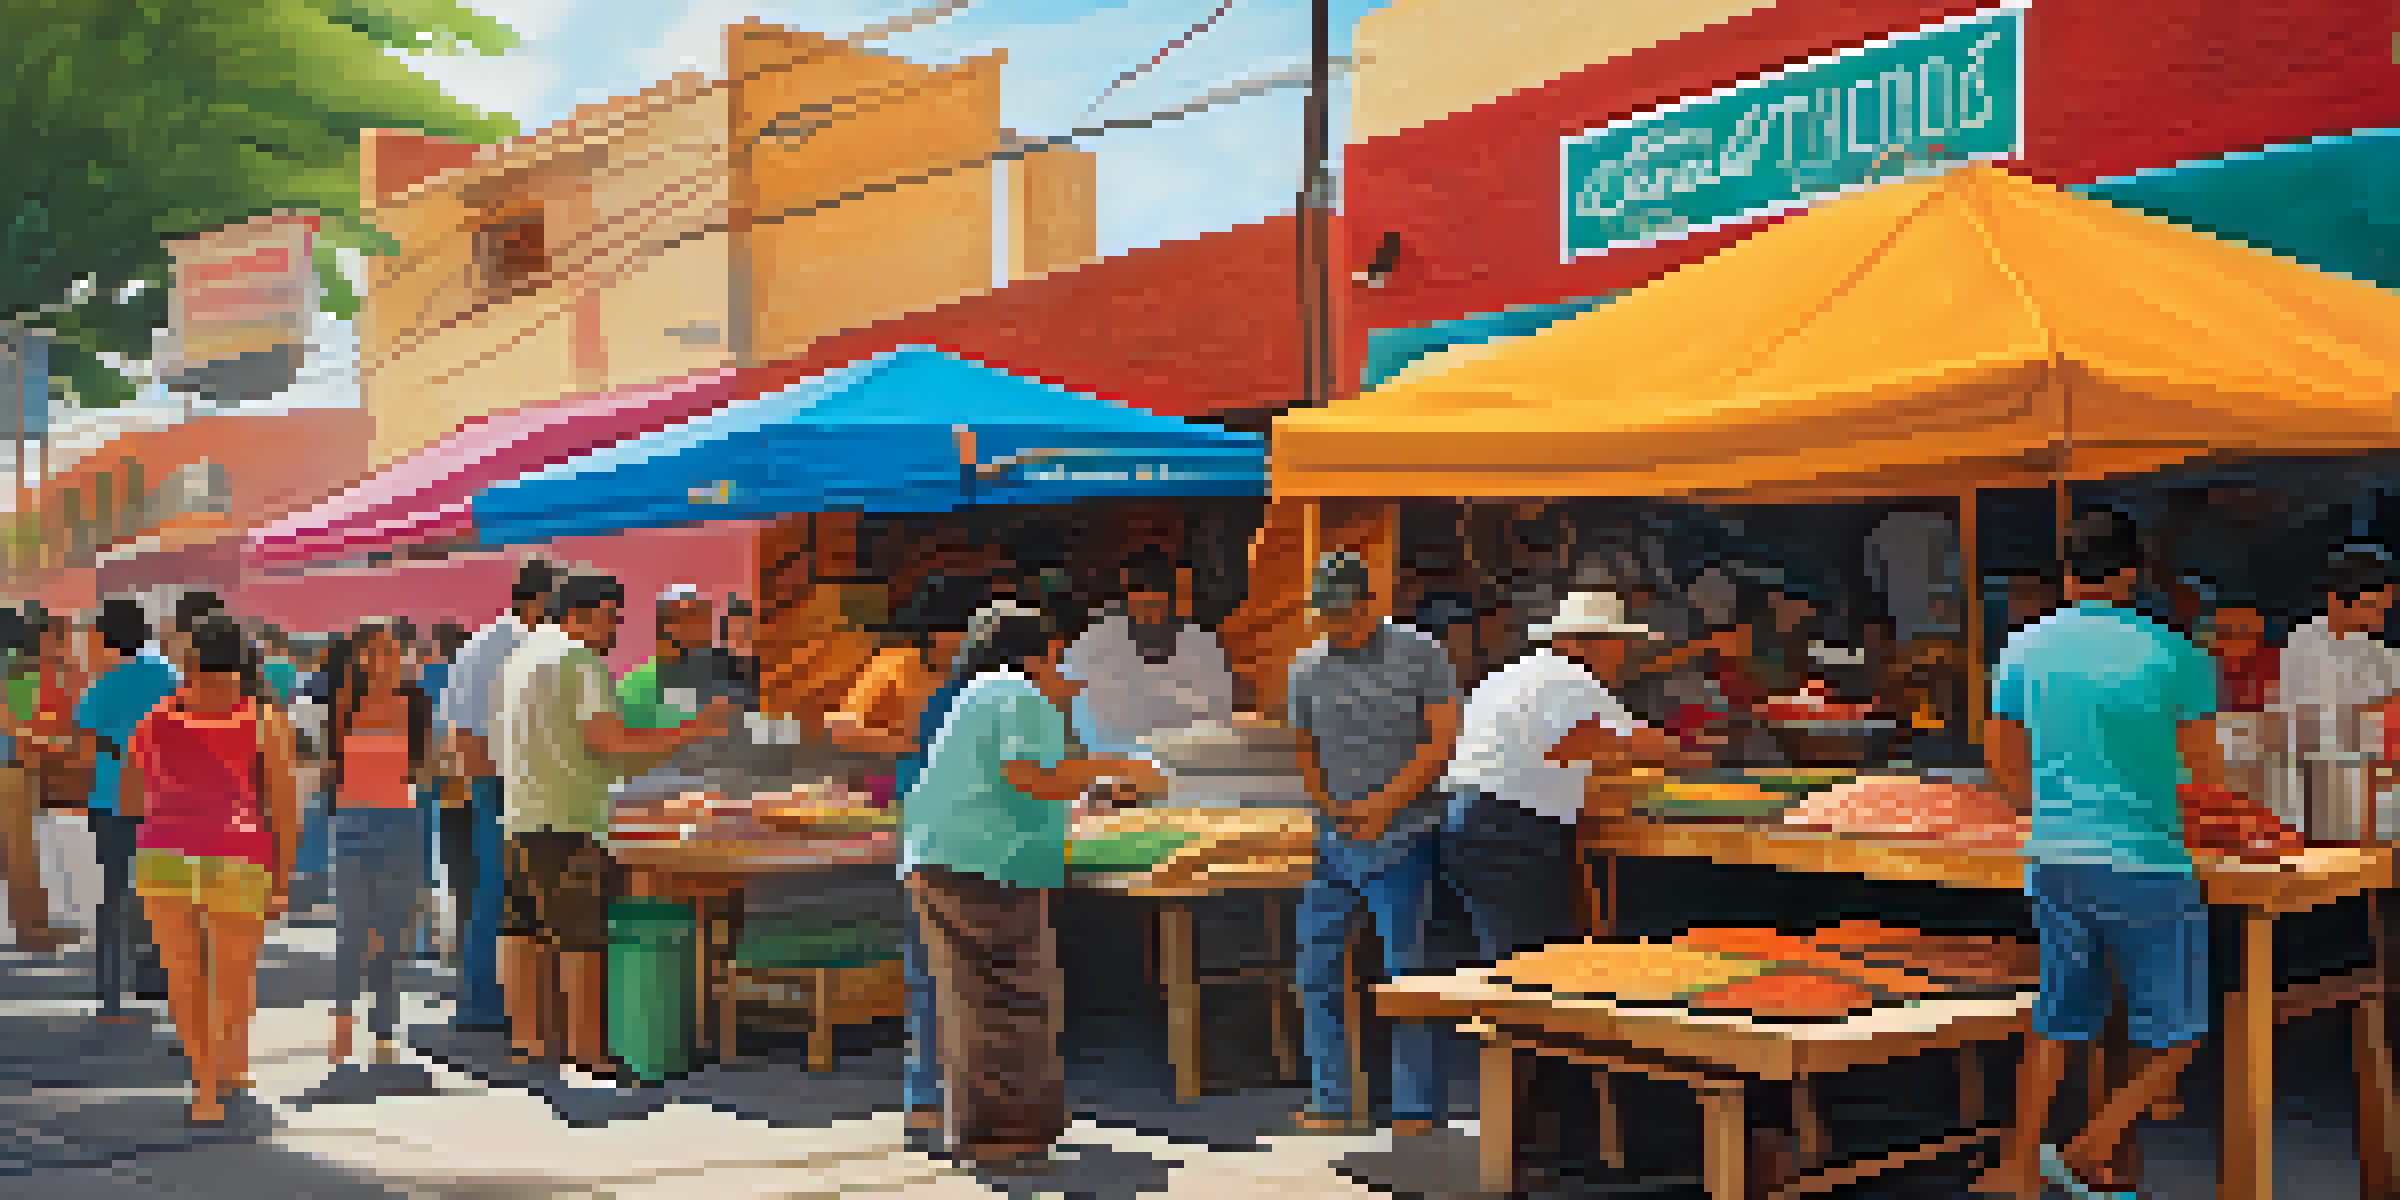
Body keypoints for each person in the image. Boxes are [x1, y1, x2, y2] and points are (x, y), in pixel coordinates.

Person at [1974, 508, 2222, 1199]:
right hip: (2148, 863)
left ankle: (2022, 1168)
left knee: (2056, 1019)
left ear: (2067, 573)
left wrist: (2049, 808)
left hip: (2055, 859)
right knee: (2179, 1035)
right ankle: (2093, 1144)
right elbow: (2206, 777)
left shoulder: (2021, 651)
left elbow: (2002, 762)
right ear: (2133, 573)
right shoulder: (2177, 655)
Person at [902, 601, 1157, 1172]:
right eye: (1057, 652)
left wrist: (1087, 789)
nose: (1062, 665)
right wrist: (1117, 768)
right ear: (1036, 652)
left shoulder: (984, 692)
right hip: (982, 866)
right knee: (1006, 1000)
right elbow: (1026, 776)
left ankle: (1005, 1130)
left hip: (953, 858)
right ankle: (1002, 1138)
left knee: (979, 1000)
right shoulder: (1015, 692)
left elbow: (1021, 781)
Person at [494, 572, 730, 1080]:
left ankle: (530, 1040)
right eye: (612, 617)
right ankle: (588, 1051)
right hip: (571, 817)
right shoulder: (579, 659)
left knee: (524, 934)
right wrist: (695, 730)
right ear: (588, 612)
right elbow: (611, 740)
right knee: (582, 939)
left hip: (520, 814)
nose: (616, 629)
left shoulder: (522, 656)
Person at [1283, 551, 1461, 1137]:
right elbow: (1304, 746)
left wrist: (1384, 805)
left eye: (1344, 611)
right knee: (1317, 972)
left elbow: (1440, 743)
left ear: (1370, 603)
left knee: (1406, 974)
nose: (1335, 623)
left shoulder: (1422, 654)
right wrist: (1328, 807)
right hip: (1333, 838)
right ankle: (1330, 1099)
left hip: (1404, 834)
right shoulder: (1305, 666)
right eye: (1325, 612)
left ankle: (1414, 1107)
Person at [829, 572, 988, 1139]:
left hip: (970, 829)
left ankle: (958, 1091)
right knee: (931, 966)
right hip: (926, 818)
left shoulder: (980, 679)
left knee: (951, 967)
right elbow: (842, 726)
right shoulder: (897, 665)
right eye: (954, 633)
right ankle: (926, 1094)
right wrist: (904, 743)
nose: (961, 643)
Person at [122, 618, 300, 1125]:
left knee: (184, 975)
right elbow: (284, 809)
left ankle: (205, 1086)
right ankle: (229, 1066)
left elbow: (131, 796)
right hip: (236, 851)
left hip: (163, 852)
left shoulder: (155, 719)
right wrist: (282, 880)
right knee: (233, 975)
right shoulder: (265, 721)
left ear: (192, 664)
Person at [435, 561, 558, 1033]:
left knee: (507, 894)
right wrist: (488, 785)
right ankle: (487, 1003)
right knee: (499, 894)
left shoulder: (504, 643)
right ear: (535, 603)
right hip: (504, 785)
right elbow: (461, 728)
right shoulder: (495, 646)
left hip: (513, 783)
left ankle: (504, 1000)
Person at [324, 619, 437, 1066]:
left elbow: (424, 767)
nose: (386, 660)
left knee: (392, 931)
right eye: (376, 652)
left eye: (392, 651)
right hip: (354, 821)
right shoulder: (345, 703)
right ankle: (343, 1022)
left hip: (401, 821)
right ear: (360, 659)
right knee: (352, 930)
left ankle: (385, 1027)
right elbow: (334, 765)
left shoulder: (416, 702)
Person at [75, 600, 181, 1019]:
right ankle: (160, 981)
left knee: (114, 895)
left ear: (106, 636)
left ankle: (111, 993)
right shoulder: (172, 674)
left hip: (114, 800)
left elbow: (86, 747)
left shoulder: (106, 683)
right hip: (168, 800)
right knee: (165, 891)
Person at [1059, 548, 1236, 762]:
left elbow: (1221, 711)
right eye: (1139, 600)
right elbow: (1065, 694)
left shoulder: (1202, 646)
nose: (1148, 610)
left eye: (1156, 601)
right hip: (1110, 761)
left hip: (1187, 761)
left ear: (1171, 599)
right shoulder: (1096, 642)